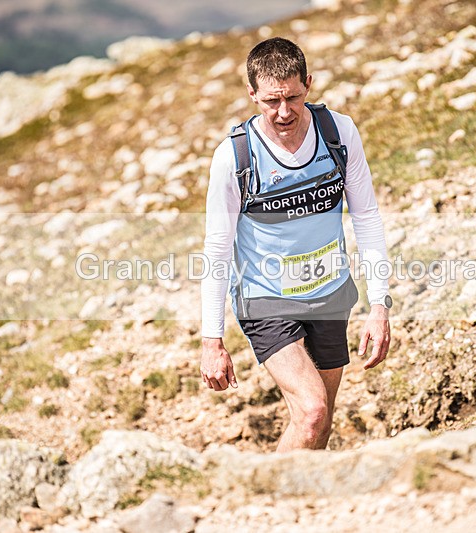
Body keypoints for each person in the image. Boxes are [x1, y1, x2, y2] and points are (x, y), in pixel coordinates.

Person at [200, 37, 391, 452]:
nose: (283, 112)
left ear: (308, 83)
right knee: (312, 411)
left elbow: (367, 218)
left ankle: (297, 508)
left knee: (318, 425)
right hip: (266, 299)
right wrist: (212, 342)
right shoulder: (234, 157)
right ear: (252, 94)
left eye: (293, 97)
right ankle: (262, 502)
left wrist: (380, 305)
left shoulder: (338, 132)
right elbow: (216, 251)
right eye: (271, 101)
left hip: (330, 295)